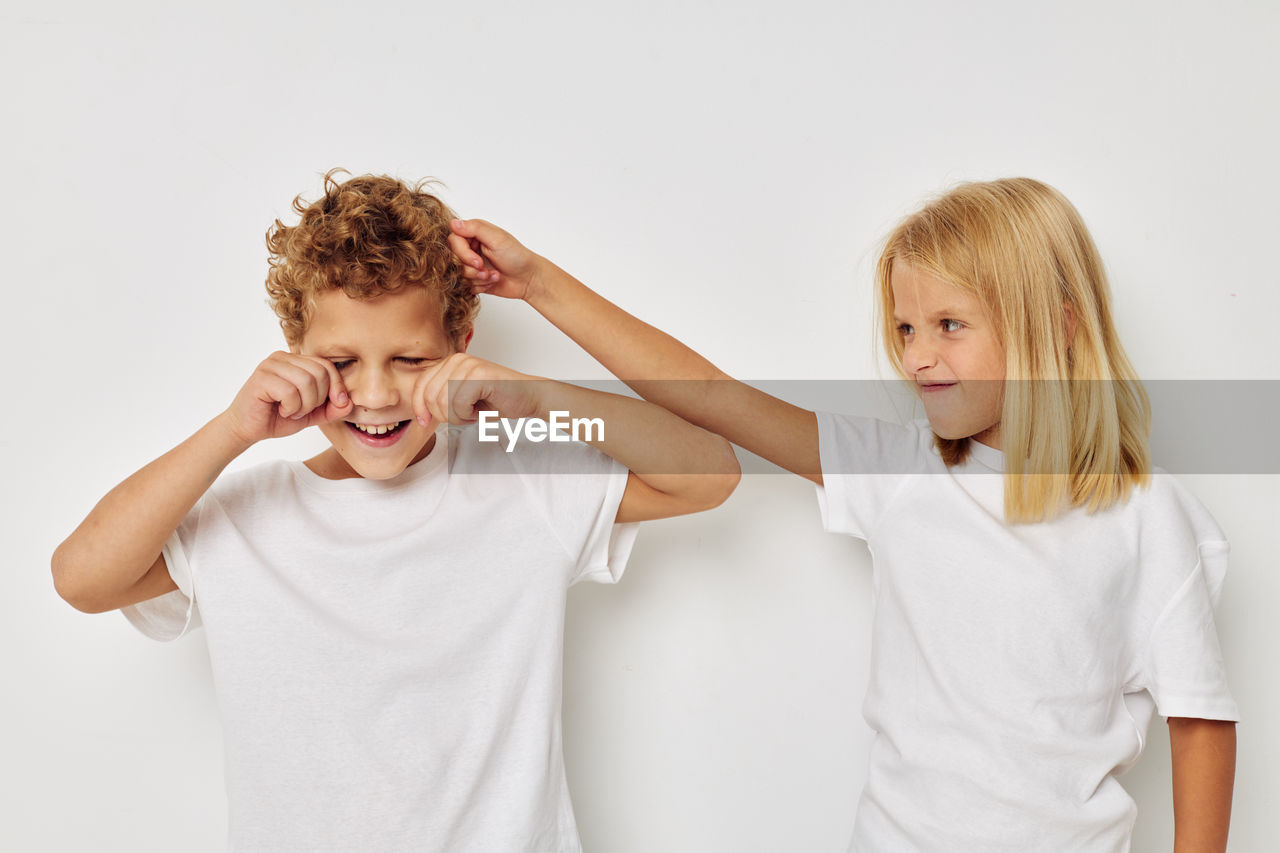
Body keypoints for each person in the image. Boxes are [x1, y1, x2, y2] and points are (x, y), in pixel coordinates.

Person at [446, 177, 1238, 852]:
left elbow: (1199, 719)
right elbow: (714, 399)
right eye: (904, 328)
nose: (917, 356)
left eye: (949, 326)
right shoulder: (902, 473)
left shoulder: (1148, 514)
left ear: (1056, 327)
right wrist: (539, 283)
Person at [50, 170, 740, 852]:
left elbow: (709, 472)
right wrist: (232, 431)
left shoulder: (523, 484)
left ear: (460, 344)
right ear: (294, 353)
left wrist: (533, 388)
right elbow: (82, 577)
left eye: (410, 358)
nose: (376, 394)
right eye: (342, 361)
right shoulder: (245, 517)